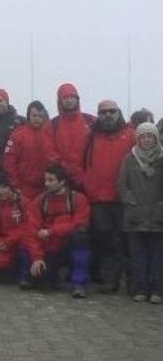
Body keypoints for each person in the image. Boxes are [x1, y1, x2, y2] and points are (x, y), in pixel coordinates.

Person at [84, 100, 134, 293]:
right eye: (103, 112)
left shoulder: (131, 135)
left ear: (118, 112)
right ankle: (109, 280)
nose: (108, 115)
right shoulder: (91, 137)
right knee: (105, 241)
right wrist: (87, 185)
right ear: (98, 115)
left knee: (127, 241)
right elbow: (83, 163)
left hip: (123, 199)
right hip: (98, 199)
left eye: (112, 111)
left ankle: (132, 281)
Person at [26, 164, 91, 298]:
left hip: (69, 243)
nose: (46, 183)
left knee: (80, 238)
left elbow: (80, 223)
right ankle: (54, 277)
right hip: (50, 247)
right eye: (45, 179)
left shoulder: (78, 199)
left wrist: (52, 231)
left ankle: (79, 284)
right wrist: (37, 257)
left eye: (51, 180)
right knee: (40, 278)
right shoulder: (40, 201)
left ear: (62, 181)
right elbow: (31, 230)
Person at [117, 122, 163, 303]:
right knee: (138, 256)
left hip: (158, 216)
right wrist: (130, 201)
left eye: (150, 136)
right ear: (138, 139)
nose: (146, 140)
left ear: (156, 138)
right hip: (135, 216)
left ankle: (158, 290)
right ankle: (140, 289)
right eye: (143, 136)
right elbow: (122, 184)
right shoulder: (129, 159)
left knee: (158, 257)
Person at [3, 101, 59, 199]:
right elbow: (9, 161)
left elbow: (55, 158)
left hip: (47, 187)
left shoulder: (50, 134)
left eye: (40, 116)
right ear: (28, 116)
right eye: (35, 115)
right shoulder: (17, 134)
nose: (38, 119)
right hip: (25, 188)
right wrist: (15, 185)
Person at [0, 172, 32, 284]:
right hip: (4, 243)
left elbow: (28, 225)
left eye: (4, 187)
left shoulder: (22, 202)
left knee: (26, 244)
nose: (1, 191)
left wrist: (9, 241)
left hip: (20, 240)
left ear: (10, 187)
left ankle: (25, 275)